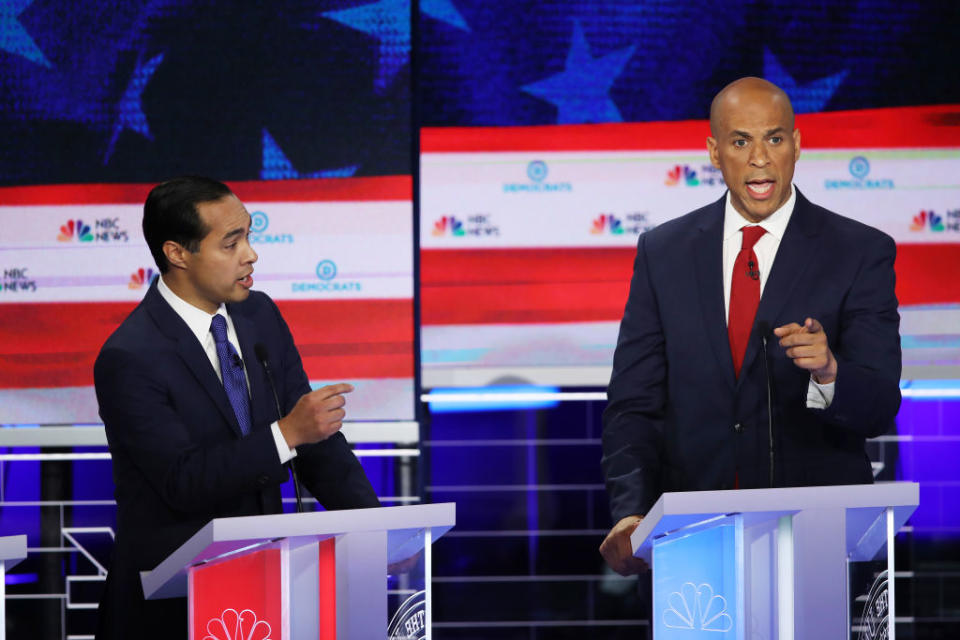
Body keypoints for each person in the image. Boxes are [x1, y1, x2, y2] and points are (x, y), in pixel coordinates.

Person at [599, 78, 901, 575]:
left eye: (775, 139)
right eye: (741, 142)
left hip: (811, 545)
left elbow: (879, 405)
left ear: (798, 145)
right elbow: (634, 404)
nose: (760, 158)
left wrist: (829, 372)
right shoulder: (664, 253)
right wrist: (631, 510)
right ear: (715, 153)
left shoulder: (859, 252)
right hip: (692, 547)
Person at [93, 176, 380, 638]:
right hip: (171, 605)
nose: (251, 254)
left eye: (248, 235)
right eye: (231, 243)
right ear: (177, 253)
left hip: (264, 593)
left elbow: (315, 440)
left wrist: (375, 528)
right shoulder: (130, 356)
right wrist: (286, 435)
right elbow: (181, 480)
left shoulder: (259, 313)